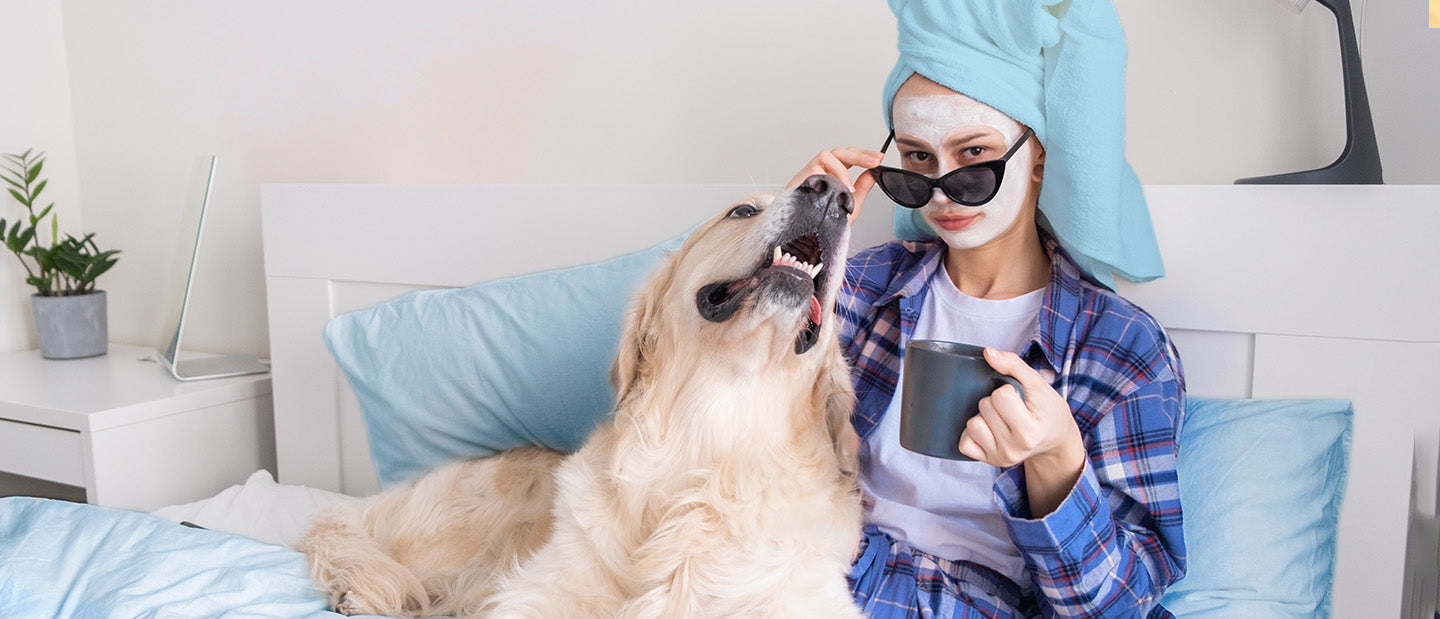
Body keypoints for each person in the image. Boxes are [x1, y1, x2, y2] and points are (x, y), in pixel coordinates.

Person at [787, 1, 1186, 617]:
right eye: (918, 160)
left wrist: (1057, 461)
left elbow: (1119, 605)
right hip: (824, 567)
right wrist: (796, 232)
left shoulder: (1122, 348)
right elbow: (719, 401)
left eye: (974, 157)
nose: (944, 190)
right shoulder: (859, 286)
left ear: (1038, 160)